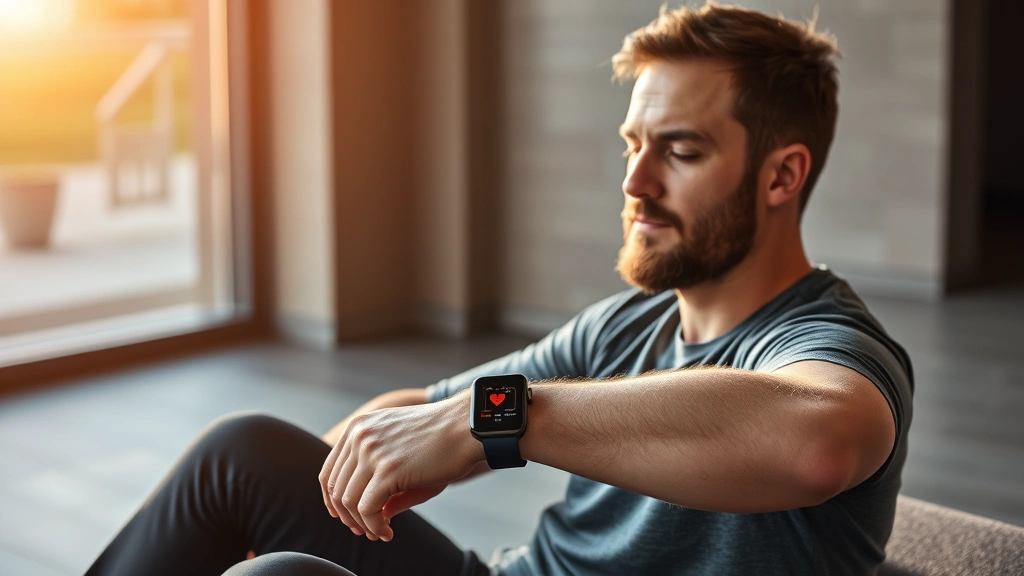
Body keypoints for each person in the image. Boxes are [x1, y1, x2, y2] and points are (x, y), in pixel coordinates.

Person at [84, 3, 913, 575]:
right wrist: (342, 473)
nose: (634, 183)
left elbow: (817, 442)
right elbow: (424, 408)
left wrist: (498, 420)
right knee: (242, 455)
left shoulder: (827, 340)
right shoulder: (624, 327)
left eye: (681, 151)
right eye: (633, 145)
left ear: (782, 176)